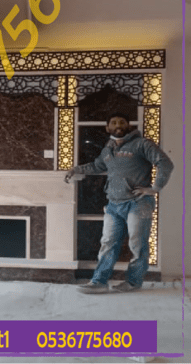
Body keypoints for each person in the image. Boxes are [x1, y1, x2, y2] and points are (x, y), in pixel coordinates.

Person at [64, 112, 174, 293]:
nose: (118, 125)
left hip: (138, 203)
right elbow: (97, 166)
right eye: (113, 123)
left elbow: (165, 163)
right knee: (108, 243)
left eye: (122, 122)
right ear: (107, 127)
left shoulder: (142, 144)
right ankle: (99, 282)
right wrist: (75, 169)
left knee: (137, 245)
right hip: (114, 204)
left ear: (128, 126)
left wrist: (155, 188)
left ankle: (133, 282)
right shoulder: (108, 149)